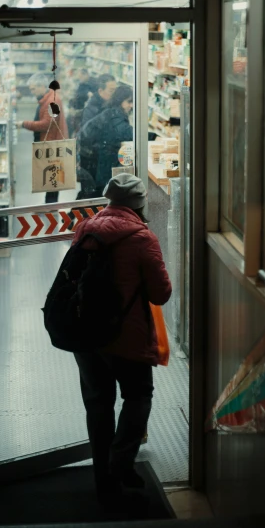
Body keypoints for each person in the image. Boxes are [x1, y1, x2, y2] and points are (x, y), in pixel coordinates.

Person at [73, 173, 172, 504]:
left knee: (98, 403)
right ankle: (121, 463)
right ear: (139, 204)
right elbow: (161, 294)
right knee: (139, 395)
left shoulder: (85, 229)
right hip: (127, 335)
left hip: (86, 334)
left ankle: (104, 475)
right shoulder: (143, 238)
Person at [16, 73, 68, 204]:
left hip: (53, 144)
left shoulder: (52, 101)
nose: (32, 92)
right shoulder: (48, 99)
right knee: (51, 177)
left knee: (53, 178)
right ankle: (49, 205)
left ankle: (50, 206)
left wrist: (24, 124)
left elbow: (47, 124)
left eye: (33, 89)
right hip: (50, 142)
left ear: (42, 86)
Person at [79, 85, 134, 198]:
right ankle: (77, 215)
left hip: (91, 157)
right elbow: (126, 133)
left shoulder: (111, 112)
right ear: (120, 101)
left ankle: (74, 215)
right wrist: (152, 136)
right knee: (94, 195)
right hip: (97, 161)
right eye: (129, 101)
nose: (131, 105)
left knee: (89, 193)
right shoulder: (116, 116)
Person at [68, 69, 98, 137]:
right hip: (78, 109)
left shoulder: (94, 83)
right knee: (69, 121)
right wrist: (70, 106)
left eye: (81, 77)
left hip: (84, 111)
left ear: (86, 74)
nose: (80, 79)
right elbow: (78, 94)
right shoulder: (82, 83)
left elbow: (93, 96)